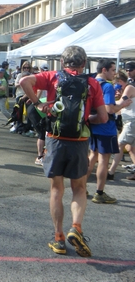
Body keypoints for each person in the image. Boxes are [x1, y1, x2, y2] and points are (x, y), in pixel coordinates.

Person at [20, 45, 107, 258]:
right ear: (84, 64)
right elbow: (103, 118)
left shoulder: (52, 77)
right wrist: (87, 119)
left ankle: (58, 238)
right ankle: (76, 227)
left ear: (62, 62)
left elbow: (24, 81)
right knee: (78, 188)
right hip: (79, 141)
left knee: (56, 190)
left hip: (55, 140)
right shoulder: (92, 83)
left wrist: (38, 104)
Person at [86, 60, 132, 204]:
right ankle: (99, 192)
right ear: (104, 70)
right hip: (105, 127)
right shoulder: (107, 86)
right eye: (112, 70)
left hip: (92, 124)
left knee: (92, 156)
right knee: (103, 161)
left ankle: (82, 186)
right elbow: (109, 110)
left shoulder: (91, 82)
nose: (115, 73)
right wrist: (122, 104)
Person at [107, 70, 135, 180]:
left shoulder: (129, 88)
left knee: (119, 144)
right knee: (131, 148)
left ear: (120, 81)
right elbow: (121, 105)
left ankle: (111, 172)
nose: (116, 87)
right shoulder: (125, 89)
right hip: (129, 121)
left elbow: (122, 102)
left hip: (132, 121)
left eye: (117, 84)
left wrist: (112, 102)